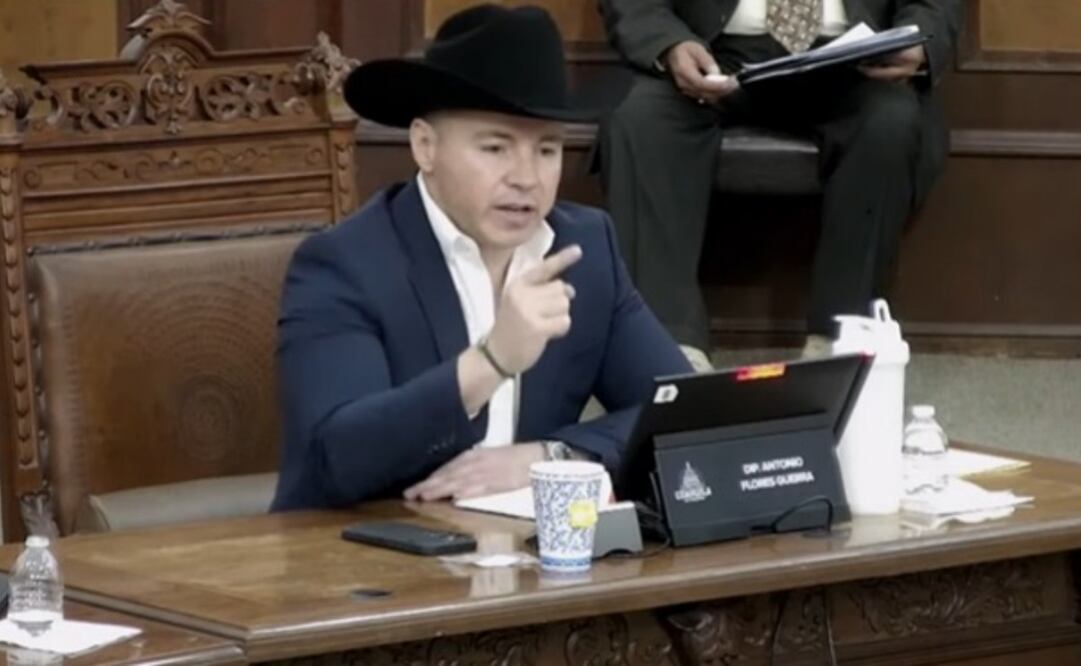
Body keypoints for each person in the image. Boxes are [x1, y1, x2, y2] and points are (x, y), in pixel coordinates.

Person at [271, 4, 691, 511]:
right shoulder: (344, 264)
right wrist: (491, 362)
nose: (526, 178)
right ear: (425, 147)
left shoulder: (584, 248)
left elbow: (677, 409)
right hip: (363, 559)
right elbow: (334, 459)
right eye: (495, 148)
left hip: (527, 565)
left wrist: (551, 455)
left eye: (547, 151)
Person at [598, 0, 962, 360]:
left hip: (852, 61)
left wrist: (918, 39)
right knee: (642, 120)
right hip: (714, 52)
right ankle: (668, 344)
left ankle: (842, 342)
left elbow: (933, 6)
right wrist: (669, 43)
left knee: (890, 122)